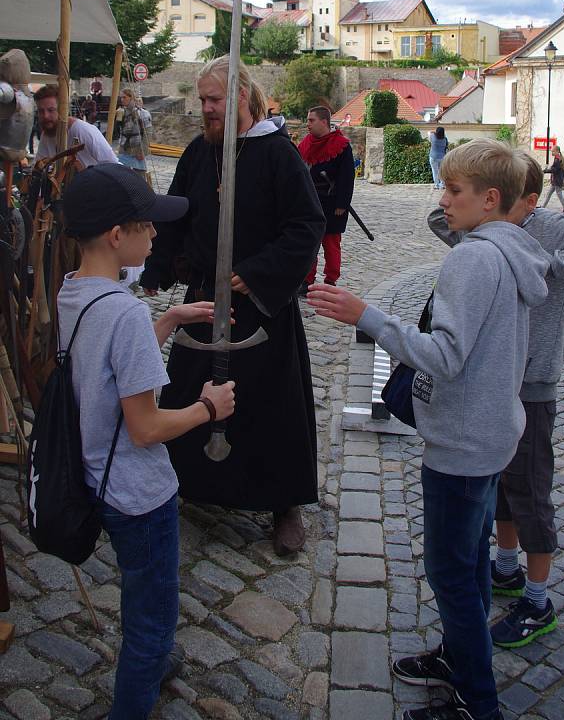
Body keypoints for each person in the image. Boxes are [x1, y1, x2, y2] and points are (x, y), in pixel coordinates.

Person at [309, 139, 551, 720]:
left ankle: (476, 701)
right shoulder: (511, 250)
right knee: (469, 564)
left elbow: (443, 357)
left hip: (464, 443)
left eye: (453, 190)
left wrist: (367, 315)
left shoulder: (474, 258)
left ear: (490, 200)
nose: (442, 201)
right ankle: (458, 659)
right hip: (491, 432)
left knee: (451, 574)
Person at [59, 163, 235, 719]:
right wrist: (209, 407)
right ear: (118, 235)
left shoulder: (74, 293)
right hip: (140, 494)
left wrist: (167, 321)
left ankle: (153, 665)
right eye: (148, 225)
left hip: (97, 478)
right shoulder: (125, 313)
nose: (157, 235)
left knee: (144, 598)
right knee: (152, 620)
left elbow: (105, 367)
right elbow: (146, 427)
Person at [139, 56, 325, 556]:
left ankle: (284, 501)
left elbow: (306, 226)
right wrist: (157, 265)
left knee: (269, 404)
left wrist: (260, 270)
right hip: (202, 298)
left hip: (259, 307)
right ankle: (182, 481)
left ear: (243, 97)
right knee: (186, 391)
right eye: (202, 100)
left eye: (215, 100)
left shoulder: (278, 154)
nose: (206, 109)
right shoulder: (200, 151)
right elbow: (177, 212)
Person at [428, 151, 564, 650]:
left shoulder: (551, 228)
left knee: (530, 489)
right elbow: (440, 217)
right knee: (500, 490)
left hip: (532, 380)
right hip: (493, 381)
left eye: (517, 205)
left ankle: (538, 599)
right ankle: (504, 568)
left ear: (526, 199)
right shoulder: (486, 231)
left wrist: (549, 267)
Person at [297, 106, 354, 296]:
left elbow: (347, 178)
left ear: (324, 122)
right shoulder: (306, 144)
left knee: (331, 244)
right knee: (309, 242)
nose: (308, 124)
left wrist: (342, 204)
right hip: (310, 202)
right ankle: (307, 280)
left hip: (331, 203)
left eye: (311, 120)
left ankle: (330, 280)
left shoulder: (341, 145)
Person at [34, 85, 117, 168]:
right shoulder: (47, 134)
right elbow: (39, 166)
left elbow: (114, 166)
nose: (45, 116)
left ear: (62, 109)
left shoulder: (82, 130)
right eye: (41, 111)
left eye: (51, 110)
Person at [118, 89, 148, 174]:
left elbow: (147, 133)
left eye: (124, 97)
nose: (122, 99)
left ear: (131, 98)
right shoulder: (122, 112)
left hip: (136, 149)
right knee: (123, 176)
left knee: (139, 176)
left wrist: (143, 151)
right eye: (121, 98)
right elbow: (121, 132)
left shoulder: (141, 113)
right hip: (125, 148)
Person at [542, 144, 564, 212]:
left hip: (557, 181)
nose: (552, 153)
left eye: (553, 151)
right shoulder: (558, 158)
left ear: (557, 151)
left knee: (559, 194)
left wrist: (546, 171)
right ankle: (543, 206)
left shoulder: (558, 160)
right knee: (549, 193)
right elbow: (562, 170)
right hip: (555, 181)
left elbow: (555, 170)